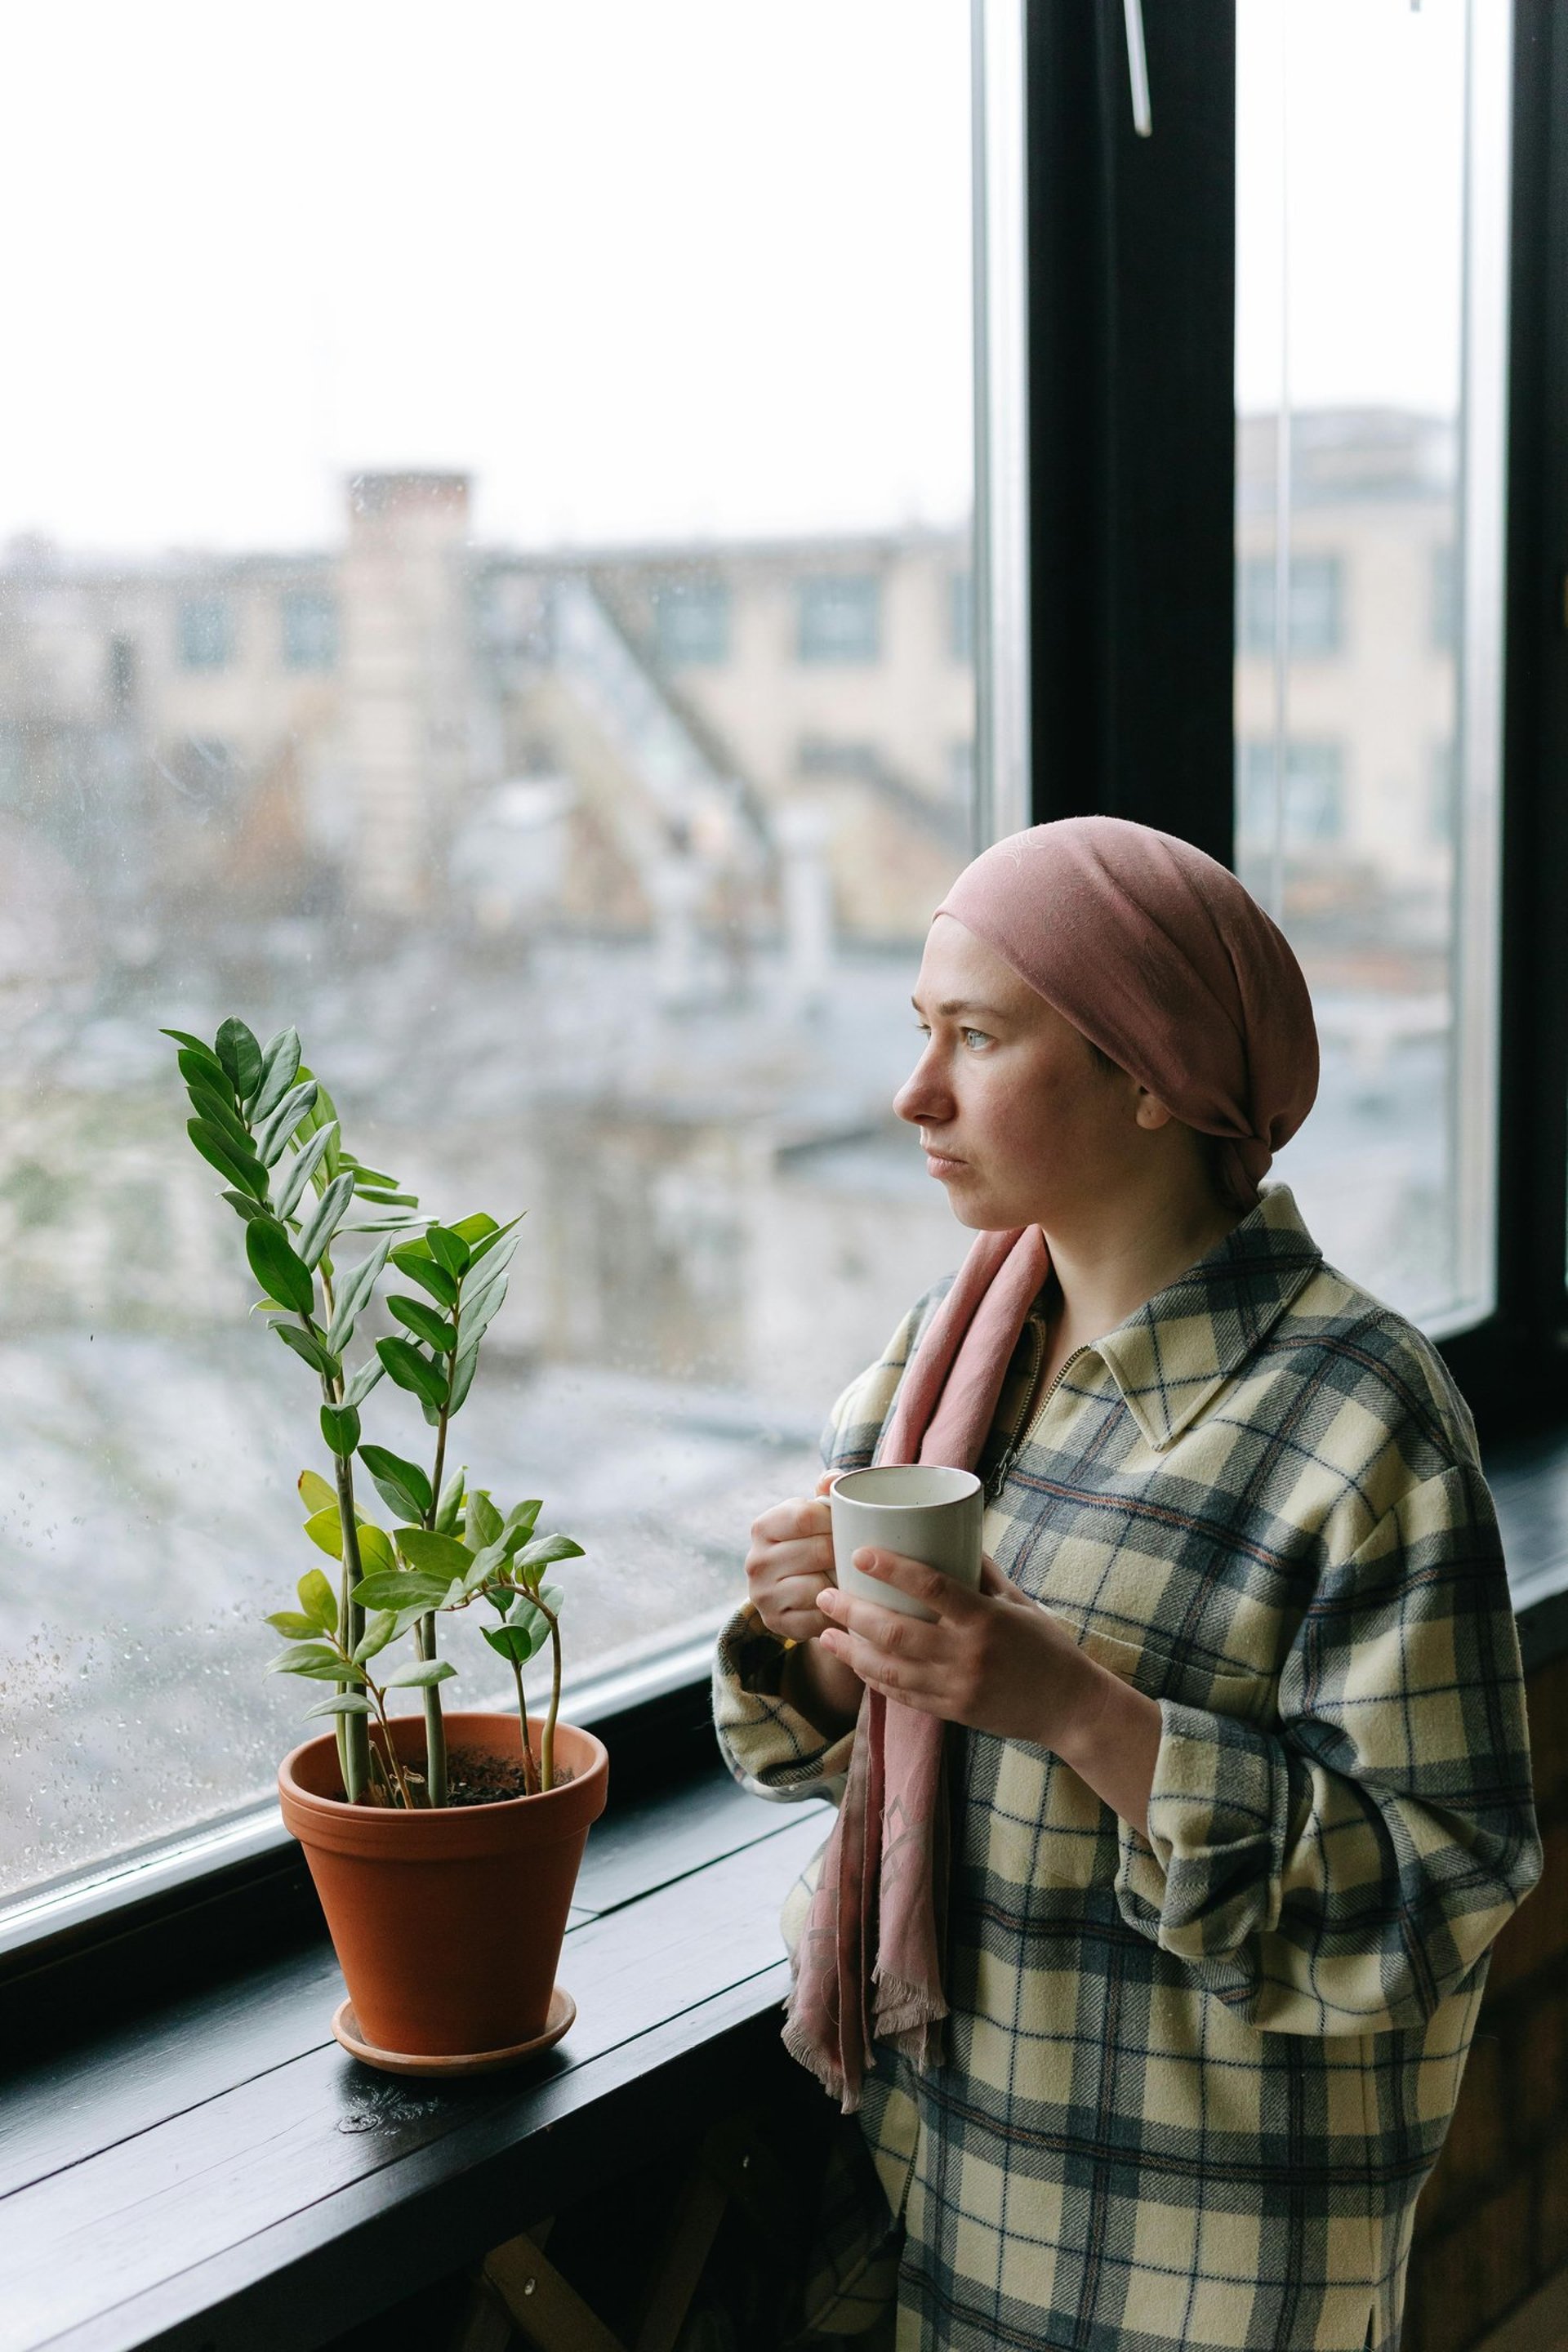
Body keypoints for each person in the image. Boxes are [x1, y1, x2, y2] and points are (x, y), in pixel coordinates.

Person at [710, 817, 1541, 2352]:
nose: (916, 1092)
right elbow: (833, 1752)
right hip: (944, 2196)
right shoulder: (944, 1362)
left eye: (978, 1036)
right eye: (921, 1032)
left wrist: (1082, 1714)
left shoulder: (1362, 1416)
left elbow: (1437, 1887)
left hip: (1214, 2261)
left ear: (1149, 1074)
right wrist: (819, 1638)